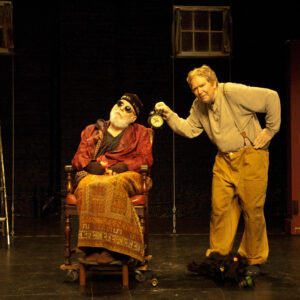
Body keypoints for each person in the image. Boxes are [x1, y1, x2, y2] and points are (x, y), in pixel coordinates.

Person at [155, 65, 281, 275]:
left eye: (202, 85)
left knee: (252, 210)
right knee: (220, 209)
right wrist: (169, 115)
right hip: (224, 160)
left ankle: (254, 259)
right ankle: (218, 257)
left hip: (251, 156)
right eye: (195, 88)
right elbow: (189, 129)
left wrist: (270, 130)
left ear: (213, 82)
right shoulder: (199, 106)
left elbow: (272, 97)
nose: (199, 91)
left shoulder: (231, 91)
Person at [71, 93, 153, 265]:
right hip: (96, 174)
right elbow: (78, 157)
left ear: (133, 117)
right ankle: (93, 248)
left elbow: (146, 159)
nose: (120, 109)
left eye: (127, 109)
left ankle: (116, 251)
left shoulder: (141, 132)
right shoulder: (92, 130)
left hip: (126, 174)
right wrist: (89, 165)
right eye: (119, 104)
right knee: (87, 185)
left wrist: (124, 165)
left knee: (111, 185)